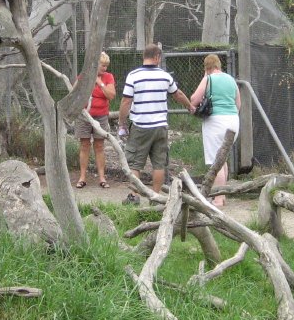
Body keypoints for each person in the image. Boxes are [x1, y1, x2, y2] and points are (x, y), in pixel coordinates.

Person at [117, 44, 193, 204]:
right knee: (159, 164)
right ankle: (156, 198)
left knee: (135, 163)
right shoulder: (165, 76)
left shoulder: (133, 75)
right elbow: (177, 94)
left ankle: (134, 196)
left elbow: (126, 101)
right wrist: (189, 105)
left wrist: (122, 123)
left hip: (140, 126)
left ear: (144, 56)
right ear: (157, 57)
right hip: (160, 126)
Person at [189, 54, 241, 207]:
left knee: (215, 162)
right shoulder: (231, 80)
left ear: (206, 68)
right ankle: (222, 196)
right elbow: (238, 104)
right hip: (233, 120)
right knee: (222, 158)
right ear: (219, 65)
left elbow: (194, 100)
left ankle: (218, 199)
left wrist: (205, 78)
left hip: (216, 122)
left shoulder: (208, 79)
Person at [75, 52, 116, 189]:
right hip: (85, 116)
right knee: (84, 145)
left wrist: (100, 83)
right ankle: (82, 177)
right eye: (102, 65)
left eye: (106, 66)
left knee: (99, 146)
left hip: (101, 116)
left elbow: (111, 95)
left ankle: (102, 178)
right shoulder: (84, 76)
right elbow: (75, 92)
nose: (105, 68)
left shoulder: (108, 77)